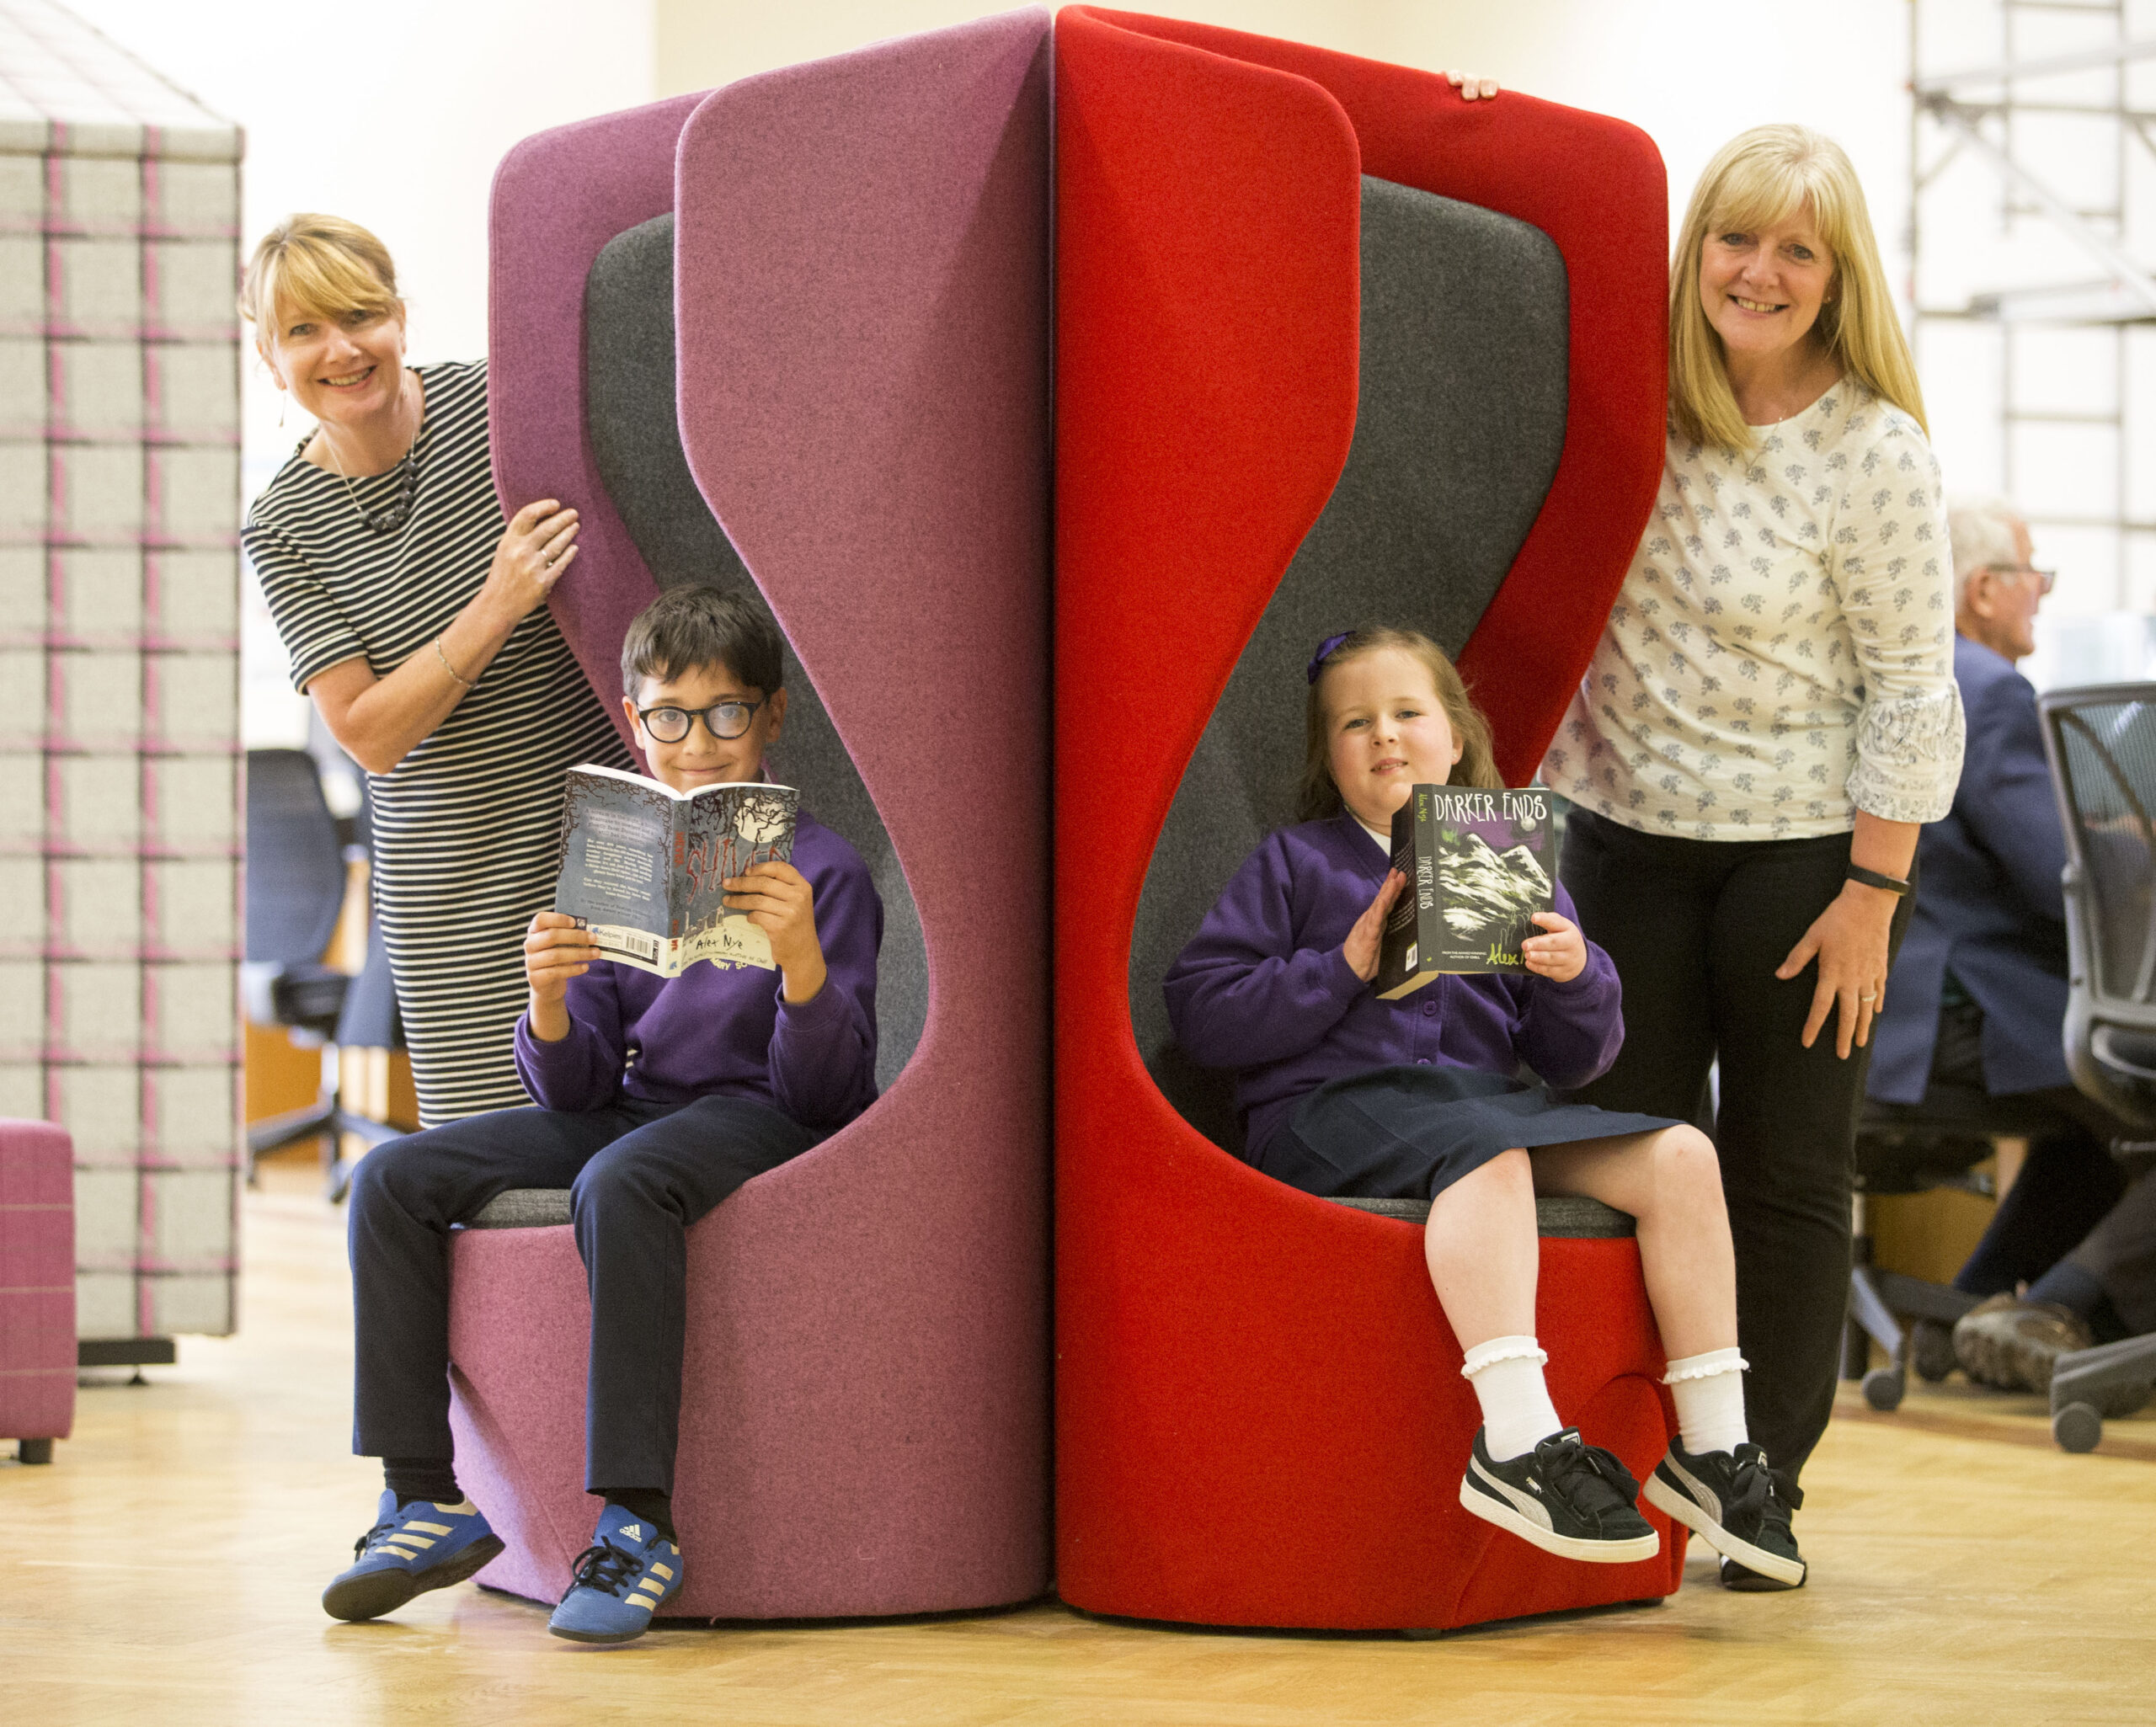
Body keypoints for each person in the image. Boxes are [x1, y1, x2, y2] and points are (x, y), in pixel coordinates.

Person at [1164, 627, 1806, 1591]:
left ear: (1456, 737)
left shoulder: (1508, 863)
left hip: (1482, 1104)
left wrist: (1574, 976)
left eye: (1406, 712)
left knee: (1680, 1154)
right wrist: (1338, 968)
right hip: (1325, 1112)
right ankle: (1518, 1437)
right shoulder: (1295, 862)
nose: (1384, 735)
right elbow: (1202, 1013)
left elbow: (1577, 1057)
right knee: (1488, 1150)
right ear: (1328, 759)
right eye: (1354, 723)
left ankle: (1714, 1447)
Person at [1538, 126, 1966, 1566]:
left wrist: (1874, 896)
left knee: (1785, 1169)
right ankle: (1624, 1454)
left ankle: (1756, 1473)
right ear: (1696, 252)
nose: (1760, 272)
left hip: (1806, 859)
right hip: (1621, 841)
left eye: (1797, 249)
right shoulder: (1632, 403)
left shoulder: (1872, 450)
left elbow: (1913, 691)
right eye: (1736, 238)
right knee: (1618, 1152)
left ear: (1837, 279)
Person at [321, 587, 882, 1643]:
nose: (697, 743)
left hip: (762, 1112)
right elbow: (575, 1090)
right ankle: (421, 1493)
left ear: (771, 715)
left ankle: (637, 1521)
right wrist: (544, 1002)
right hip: (632, 1106)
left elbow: (828, 1098)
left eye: (725, 713)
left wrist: (802, 962)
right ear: (633, 720)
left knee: (619, 1179)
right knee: (393, 1175)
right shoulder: (619, 863)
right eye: (669, 715)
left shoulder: (828, 871)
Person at [241, 214, 635, 1127]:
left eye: (359, 315)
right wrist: (498, 602)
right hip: (452, 887)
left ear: (400, 318)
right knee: (493, 1153)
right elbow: (368, 732)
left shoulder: (499, 411)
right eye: (304, 330)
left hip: (608, 837)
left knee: (640, 1124)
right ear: (270, 357)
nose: (341, 349)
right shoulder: (284, 525)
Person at [1867, 498, 2128, 1380]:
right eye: (2031, 574)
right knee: (2130, 1083)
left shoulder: (1898, 677)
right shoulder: (1986, 689)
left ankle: (1973, 1308)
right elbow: (2060, 871)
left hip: (1897, 1013)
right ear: (1981, 590)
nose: (2041, 594)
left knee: (2104, 1126)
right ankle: (2059, 1307)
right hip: (1973, 1010)